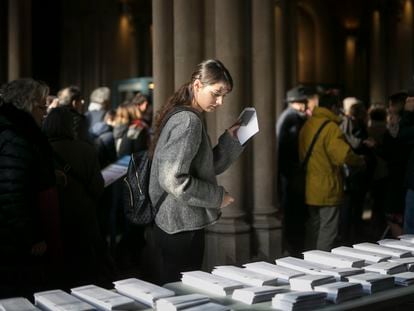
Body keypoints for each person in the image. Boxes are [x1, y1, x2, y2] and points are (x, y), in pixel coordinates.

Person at [149, 59, 244, 284]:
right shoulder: (188, 121)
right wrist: (218, 197)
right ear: (198, 85)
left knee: (177, 291)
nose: (220, 102)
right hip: (180, 225)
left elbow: (202, 167)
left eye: (225, 95)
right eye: (217, 93)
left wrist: (230, 142)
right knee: (180, 295)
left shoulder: (185, 116)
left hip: (177, 222)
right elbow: (173, 179)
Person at [0, 78, 61, 298]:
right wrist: (33, 237)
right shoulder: (15, 136)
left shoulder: (18, 131)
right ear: (26, 104)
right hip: (14, 245)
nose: (45, 113)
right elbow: (10, 193)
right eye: (42, 107)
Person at [299, 93, 365, 251]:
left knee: (313, 228)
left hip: (310, 186)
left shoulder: (308, 125)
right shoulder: (331, 128)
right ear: (334, 107)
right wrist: (360, 160)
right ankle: (321, 266)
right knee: (328, 230)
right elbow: (342, 155)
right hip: (327, 186)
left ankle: (307, 263)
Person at [276, 85, 308, 256]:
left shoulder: (290, 116)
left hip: (289, 172)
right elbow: (289, 146)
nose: (305, 105)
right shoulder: (291, 118)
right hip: (291, 173)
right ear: (296, 102)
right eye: (303, 102)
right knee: (293, 212)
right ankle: (295, 248)